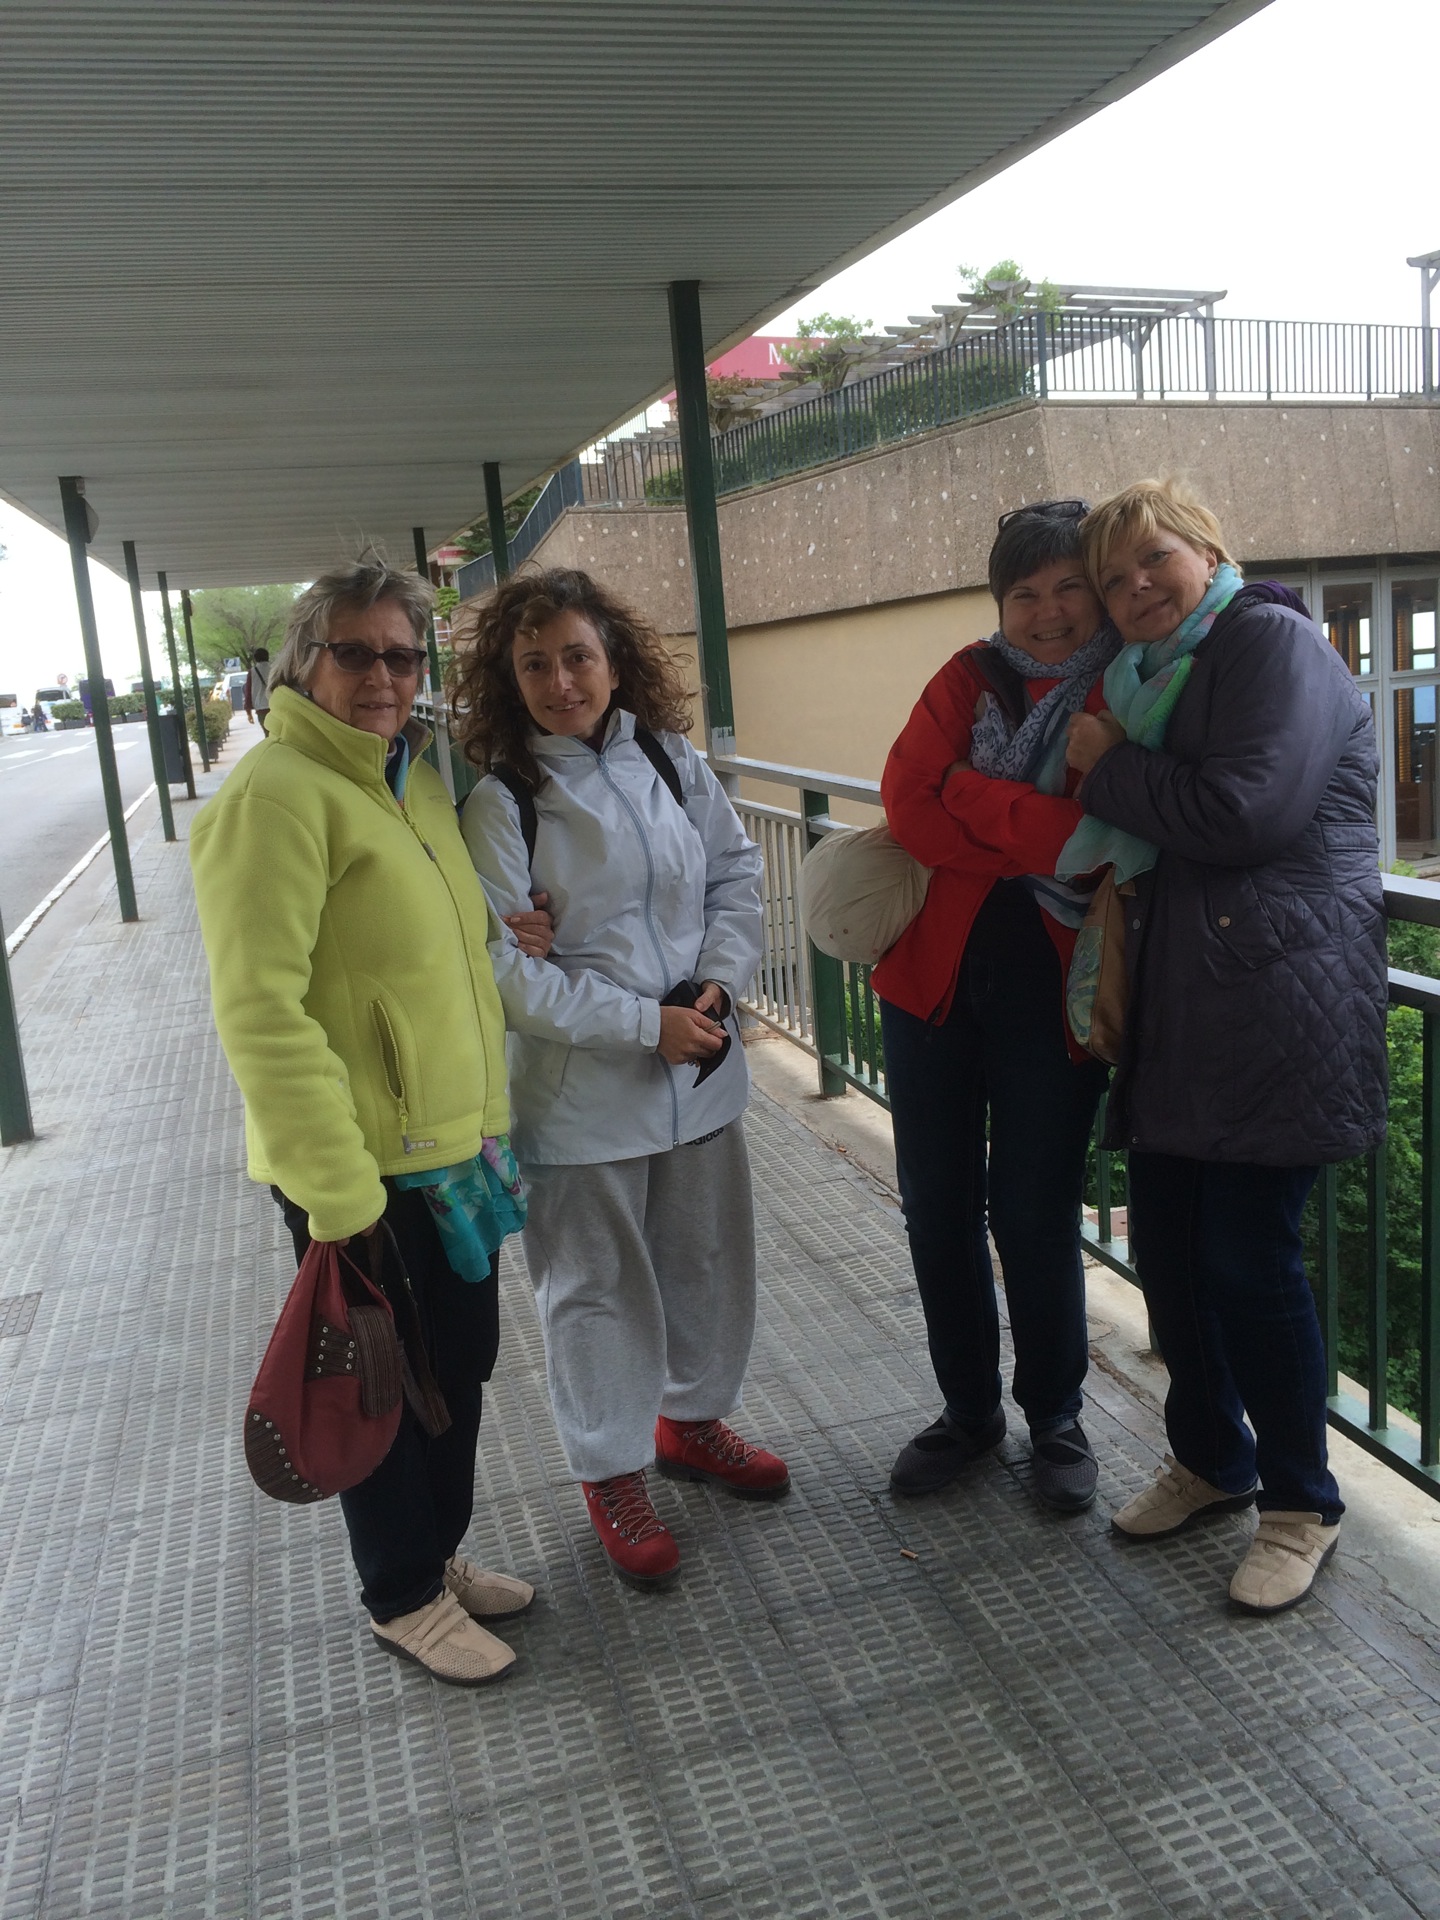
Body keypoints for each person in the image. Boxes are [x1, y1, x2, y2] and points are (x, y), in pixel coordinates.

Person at [190, 554, 536, 1687]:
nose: (384, 676)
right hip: (363, 1170)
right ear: (305, 663)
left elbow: (443, 951)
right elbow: (261, 1011)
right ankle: (400, 1593)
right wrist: (337, 1193)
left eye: (403, 655)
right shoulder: (277, 796)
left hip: (454, 1150)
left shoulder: (409, 780)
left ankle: (435, 1555)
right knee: (382, 1387)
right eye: (356, 652)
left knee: (457, 1370)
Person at [1063, 478, 1387, 1613]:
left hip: (1279, 1002)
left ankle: (1301, 1507)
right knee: (1171, 1254)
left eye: (1154, 558)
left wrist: (1109, 764)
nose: (1136, 588)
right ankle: (1211, 1461)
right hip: (1188, 1003)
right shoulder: (1157, 675)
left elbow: (1249, 813)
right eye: (1113, 580)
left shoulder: (1270, 644)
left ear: (1207, 549)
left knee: (1251, 1261)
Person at [453, 567, 787, 1592]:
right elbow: (509, 973)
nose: (562, 682)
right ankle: (611, 1470)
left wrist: (719, 987)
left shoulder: (672, 761)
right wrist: (649, 1026)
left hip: (700, 1071)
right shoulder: (504, 801)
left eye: (578, 657)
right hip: (582, 1094)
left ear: (614, 659)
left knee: (705, 1258)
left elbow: (735, 876)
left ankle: (693, 1420)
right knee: (594, 1287)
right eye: (536, 665)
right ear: (510, 680)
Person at [874, 500, 1121, 1511]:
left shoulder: (1126, 687)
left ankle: (1055, 1417)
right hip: (931, 987)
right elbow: (909, 806)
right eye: (1025, 593)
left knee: (1034, 1210)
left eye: (1069, 588)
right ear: (1000, 603)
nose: (1048, 612)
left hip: (1059, 992)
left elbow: (1098, 839)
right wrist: (1031, 827)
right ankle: (968, 1411)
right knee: (937, 1206)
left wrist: (973, 797)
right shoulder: (965, 677)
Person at [244, 646, 273, 731]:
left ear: (255, 658)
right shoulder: (274, 669)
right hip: (275, 705)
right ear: (267, 656)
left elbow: (248, 692)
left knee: (267, 733)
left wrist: (249, 712)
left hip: (261, 708)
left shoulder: (252, 672)